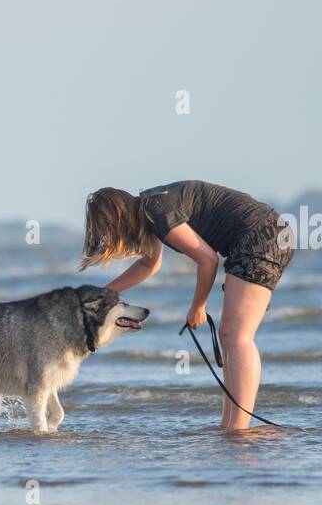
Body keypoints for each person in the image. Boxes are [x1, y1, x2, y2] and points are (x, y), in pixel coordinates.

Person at [81, 181, 294, 430]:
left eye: (107, 231)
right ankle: (231, 425)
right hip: (268, 233)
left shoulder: (157, 210)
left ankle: (238, 428)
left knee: (238, 337)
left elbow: (207, 260)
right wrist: (105, 294)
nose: (110, 239)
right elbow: (148, 265)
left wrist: (198, 307)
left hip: (261, 234)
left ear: (117, 218)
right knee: (231, 336)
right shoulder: (151, 210)